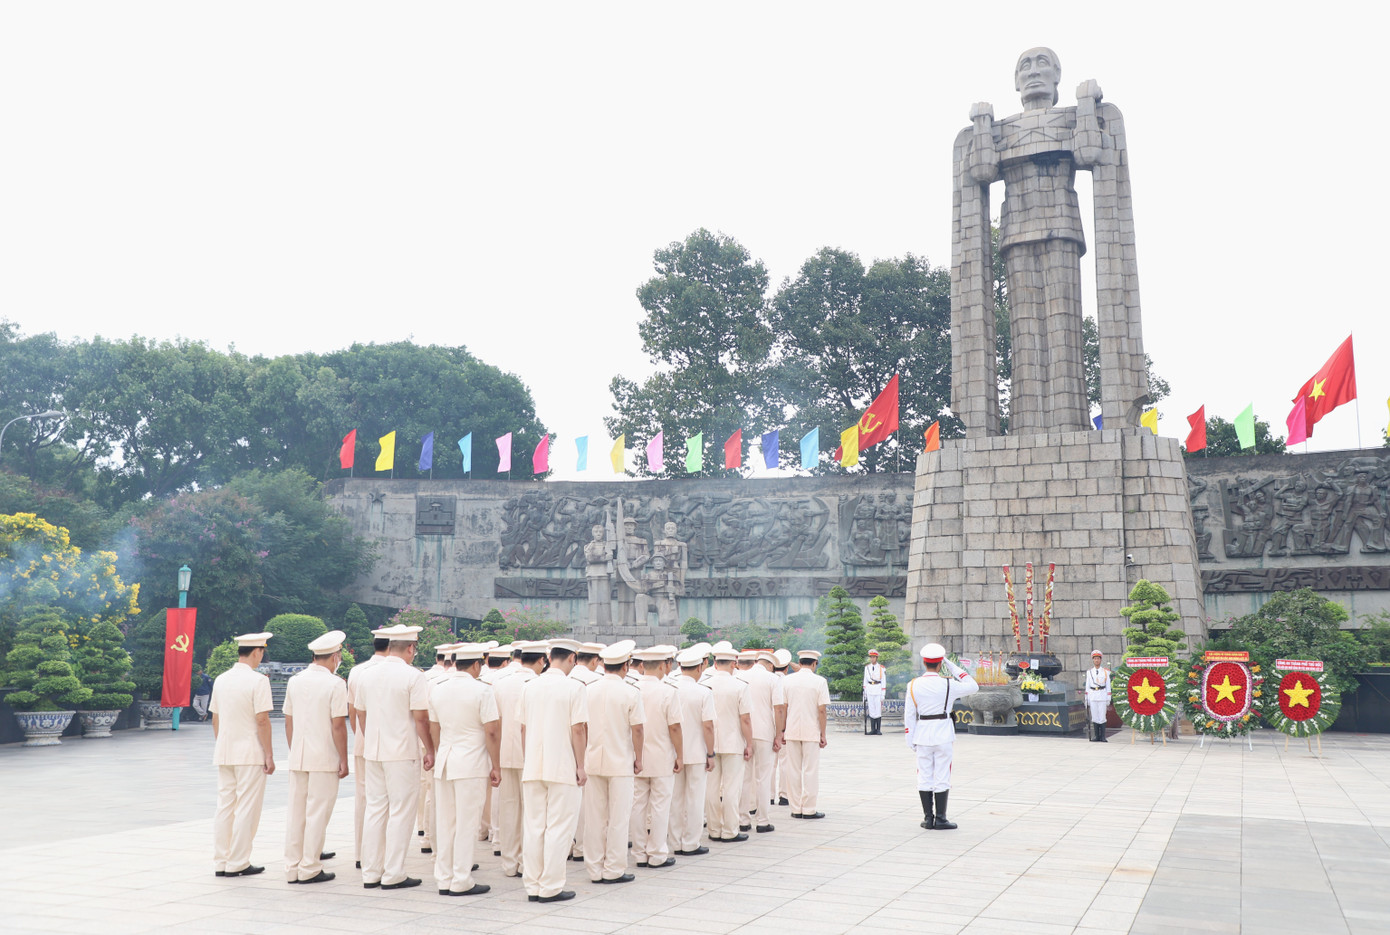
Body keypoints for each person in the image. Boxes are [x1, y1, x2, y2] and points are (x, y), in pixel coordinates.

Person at [354, 623, 435, 890]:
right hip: (401, 752)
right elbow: (421, 718)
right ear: (411, 648)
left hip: (374, 750)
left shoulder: (367, 675)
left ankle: (371, 872)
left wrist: (371, 740)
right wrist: (430, 748)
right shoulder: (413, 676)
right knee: (401, 811)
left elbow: (360, 715)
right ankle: (394, 873)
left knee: (375, 810)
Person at [518, 638, 589, 903]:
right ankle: (551, 886)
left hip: (534, 765)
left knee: (534, 826)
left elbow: (523, 728)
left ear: (550, 657)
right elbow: (578, 729)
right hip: (562, 766)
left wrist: (530, 760)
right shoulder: (574, 688)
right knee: (559, 827)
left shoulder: (530, 686)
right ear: (572, 658)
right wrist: (581, 765)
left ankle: (533, 885)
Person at [428, 644, 500, 897]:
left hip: (446, 761)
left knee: (446, 822)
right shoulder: (482, 690)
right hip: (470, 763)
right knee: (467, 823)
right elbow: (491, 730)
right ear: (477, 665)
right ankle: (461, 879)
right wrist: (496, 765)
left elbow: (434, 727)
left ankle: (444, 878)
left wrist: (440, 753)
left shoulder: (438, 689)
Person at [282, 630, 350, 884]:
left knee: (296, 813)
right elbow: (338, 726)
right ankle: (310, 866)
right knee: (318, 812)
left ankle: (292, 866)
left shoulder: (295, 681)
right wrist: (343, 758)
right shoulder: (335, 683)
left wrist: (295, 750)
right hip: (323, 756)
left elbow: (288, 722)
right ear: (335, 656)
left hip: (298, 755)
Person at [210, 631, 276, 878]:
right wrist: (268, 754)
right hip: (249, 752)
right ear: (257, 652)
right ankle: (238, 861)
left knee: (225, 806)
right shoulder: (258, 681)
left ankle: (221, 860)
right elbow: (262, 720)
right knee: (247, 807)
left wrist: (223, 745)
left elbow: (216, 718)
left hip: (225, 751)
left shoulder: (221, 679)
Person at [583, 640, 644, 885]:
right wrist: (639, 758)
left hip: (593, 759)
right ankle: (614, 869)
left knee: (594, 817)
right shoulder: (630, 692)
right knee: (618, 818)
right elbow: (638, 730)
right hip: (620, 762)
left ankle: (594, 868)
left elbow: (581, 726)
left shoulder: (588, 690)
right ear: (626, 666)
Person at [904, 642, 979, 830]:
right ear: (940, 664)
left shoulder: (913, 685)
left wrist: (910, 740)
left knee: (924, 775)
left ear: (924, 662)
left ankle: (928, 819)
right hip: (943, 734)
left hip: (922, 734)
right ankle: (941, 818)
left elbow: (909, 715)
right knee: (942, 775)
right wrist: (952, 665)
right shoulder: (948, 683)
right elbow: (973, 686)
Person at [492, 641, 546, 878]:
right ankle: (526, 862)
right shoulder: (538, 684)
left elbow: (494, 722)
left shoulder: (500, 683)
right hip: (531, 754)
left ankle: (509, 862)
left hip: (504, 753)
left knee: (508, 809)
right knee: (531, 811)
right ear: (542, 661)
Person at [631, 646, 682, 868]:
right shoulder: (668, 691)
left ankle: (640, 853)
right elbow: (675, 728)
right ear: (663, 665)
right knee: (660, 806)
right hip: (661, 756)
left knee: (638, 806)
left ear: (642, 666)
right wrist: (680, 755)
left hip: (636, 757)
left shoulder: (631, 689)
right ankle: (657, 853)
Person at [346, 627, 390, 869]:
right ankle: (382, 855)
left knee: (364, 799)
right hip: (392, 746)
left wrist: (361, 735)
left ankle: (361, 854)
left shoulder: (357, 671)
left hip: (364, 742)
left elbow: (353, 711)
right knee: (390, 802)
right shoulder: (403, 672)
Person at [669, 645, 714, 856]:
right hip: (696, 753)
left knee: (675, 798)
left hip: (674, 752)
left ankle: (674, 842)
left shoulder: (670, 687)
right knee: (695, 798)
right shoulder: (703, 692)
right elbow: (708, 726)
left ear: (679, 666)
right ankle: (691, 843)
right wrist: (711, 752)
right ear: (699, 668)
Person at [704, 645, 752, 842]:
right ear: (734, 664)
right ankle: (730, 830)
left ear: (715, 664)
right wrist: (749, 743)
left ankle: (714, 829)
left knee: (712, 788)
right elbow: (746, 719)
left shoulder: (705, 684)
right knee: (732, 788)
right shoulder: (740, 686)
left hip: (710, 743)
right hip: (733, 743)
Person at [736, 650, 785, 833]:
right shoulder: (773, 679)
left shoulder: (741, 676)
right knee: (763, 778)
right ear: (771, 666)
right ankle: (763, 821)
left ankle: (743, 820)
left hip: (744, 733)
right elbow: (779, 709)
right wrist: (779, 734)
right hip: (765, 733)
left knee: (744, 777)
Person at [567, 642, 604, 863]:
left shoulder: (566, 681)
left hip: (565, 747)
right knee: (586, 801)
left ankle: (570, 844)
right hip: (589, 747)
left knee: (567, 802)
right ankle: (581, 846)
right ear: (594, 661)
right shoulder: (596, 682)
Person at [782, 650, 830, 820]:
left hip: (792, 730)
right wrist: (823, 734)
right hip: (811, 731)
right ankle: (809, 809)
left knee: (793, 770)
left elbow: (783, 708)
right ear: (814, 664)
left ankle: (795, 808)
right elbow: (822, 710)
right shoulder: (820, 681)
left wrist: (781, 730)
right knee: (810, 770)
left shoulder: (787, 681)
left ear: (799, 662)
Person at [1084, 650, 1111, 742]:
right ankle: (1097, 736)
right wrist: (1086, 697)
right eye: (1095, 659)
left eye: (1098, 659)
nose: (1096, 660)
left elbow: (1108, 685)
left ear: (1100, 660)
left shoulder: (1105, 672)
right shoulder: (1089, 672)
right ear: (1093, 660)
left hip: (1102, 695)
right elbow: (1087, 685)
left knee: (1102, 716)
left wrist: (1108, 697)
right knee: (1094, 716)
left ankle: (1103, 736)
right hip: (1093, 695)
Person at [863, 650, 886, 735]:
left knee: (878, 709)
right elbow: (865, 680)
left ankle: (878, 729)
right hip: (869, 689)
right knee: (871, 709)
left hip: (878, 689)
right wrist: (864, 693)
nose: (872, 659)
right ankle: (873, 729)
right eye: (871, 657)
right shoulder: (867, 667)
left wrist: (883, 693)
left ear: (876, 658)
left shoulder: (881, 668)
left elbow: (883, 680)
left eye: (873, 657)